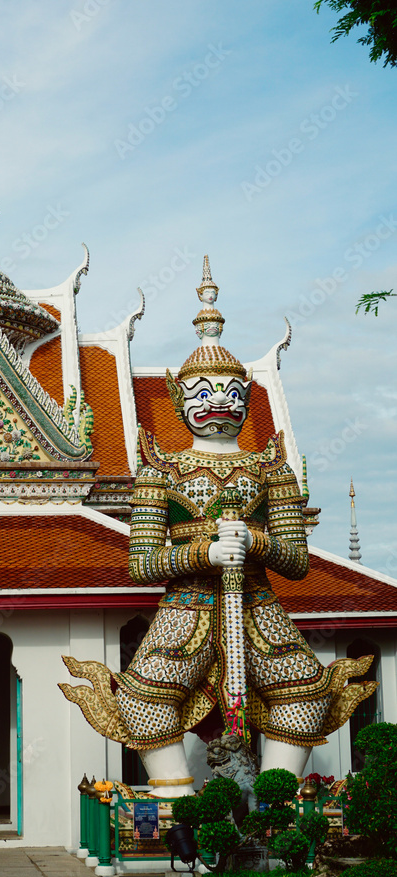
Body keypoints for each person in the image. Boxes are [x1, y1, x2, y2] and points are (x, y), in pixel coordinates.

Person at [61, 258, 377, 797]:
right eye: (204, 392)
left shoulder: (269, 466)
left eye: (231, 392)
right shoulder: (162, 469)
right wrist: (201, 554)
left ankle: (272, 808)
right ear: (180, 400)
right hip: (187, 609)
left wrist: (255, 541)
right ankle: (177, 803)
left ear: (248, 398)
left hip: (255, 603)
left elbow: (297, 563)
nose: (219, 403)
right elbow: (141, 563)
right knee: (142, 704)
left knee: (304, 699)